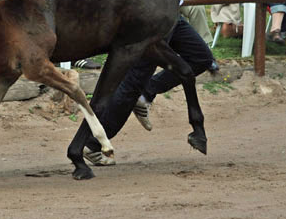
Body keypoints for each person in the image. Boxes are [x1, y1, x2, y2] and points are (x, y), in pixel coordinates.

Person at [83, 17, 214, 163]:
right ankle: (92, 144)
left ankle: (146, 92)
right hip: (150, 18)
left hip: (170, 16)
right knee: (134, 83)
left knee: (200, 57)